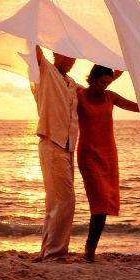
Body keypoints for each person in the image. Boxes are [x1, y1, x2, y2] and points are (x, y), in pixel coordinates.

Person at [77, 65, 139, 262]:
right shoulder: (79, 96)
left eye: (108, 82)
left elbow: (137, 107)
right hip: (88, 155)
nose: (105, 86)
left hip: (108, 155)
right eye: (103, 81)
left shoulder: (110, 96)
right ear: (93, 78)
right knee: (100, 201)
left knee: (104, 203)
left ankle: (90, 249)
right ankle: (89, 249)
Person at [30, 45, 79, 262]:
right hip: (52, 142)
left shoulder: (72, 84)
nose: (70, 59)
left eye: (74, 56)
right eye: (66, 53)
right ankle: (55, 255)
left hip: (67, 147)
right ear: (55, 53)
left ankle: (47, 252)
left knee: (56, 203)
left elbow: (92, 94)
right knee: (65, 201)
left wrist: (111, 78)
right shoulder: (45, 71)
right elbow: (33, 48)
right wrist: (36, 19)